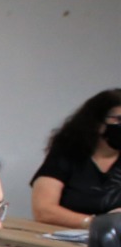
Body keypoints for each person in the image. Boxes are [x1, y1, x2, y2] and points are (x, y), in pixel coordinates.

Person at [30, 89, 121, 229]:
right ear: (98, 123)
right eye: (119, 120)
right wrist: (97, 223)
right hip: (65, 236)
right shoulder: (66, 154)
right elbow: (43, 211)